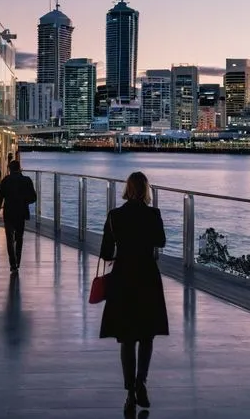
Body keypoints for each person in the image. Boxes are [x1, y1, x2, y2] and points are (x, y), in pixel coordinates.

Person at [99, 171, 168, 415]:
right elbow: (161, 241)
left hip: (123, 276)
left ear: (127, 189)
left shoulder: (115, 216)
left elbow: (106, 252)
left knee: (127, 337)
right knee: (147, 334)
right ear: (146, 190)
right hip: (147, 276)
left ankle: (129, 392)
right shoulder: (153, 214)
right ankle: (142, 381)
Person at [0, 160, 37, 274]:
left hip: (9, 212)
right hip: (21, 212)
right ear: (20, 168)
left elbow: (0, 198)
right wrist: (23, 200)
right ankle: (18, 261)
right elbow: (33, 198)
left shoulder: (5, 181)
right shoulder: (26, 180)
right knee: (19, 237)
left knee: (9, 238)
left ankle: (13, 264)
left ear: (9, 169)